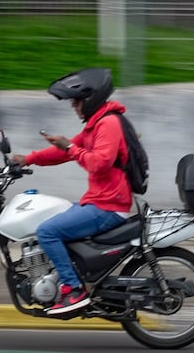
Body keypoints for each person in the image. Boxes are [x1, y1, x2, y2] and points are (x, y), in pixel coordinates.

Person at [11, 68, 132, 315]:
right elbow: (66, 151)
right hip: (99, 201)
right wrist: (29, 159)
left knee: (47, 231)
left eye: (76, 101)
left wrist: (70, 147)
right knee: (51, 218)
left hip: (108, 206)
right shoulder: (97, 123)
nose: (73, 106)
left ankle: (74, 289)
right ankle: (71, 277)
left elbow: (99, 163)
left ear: (91, 98)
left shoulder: (108, 124)